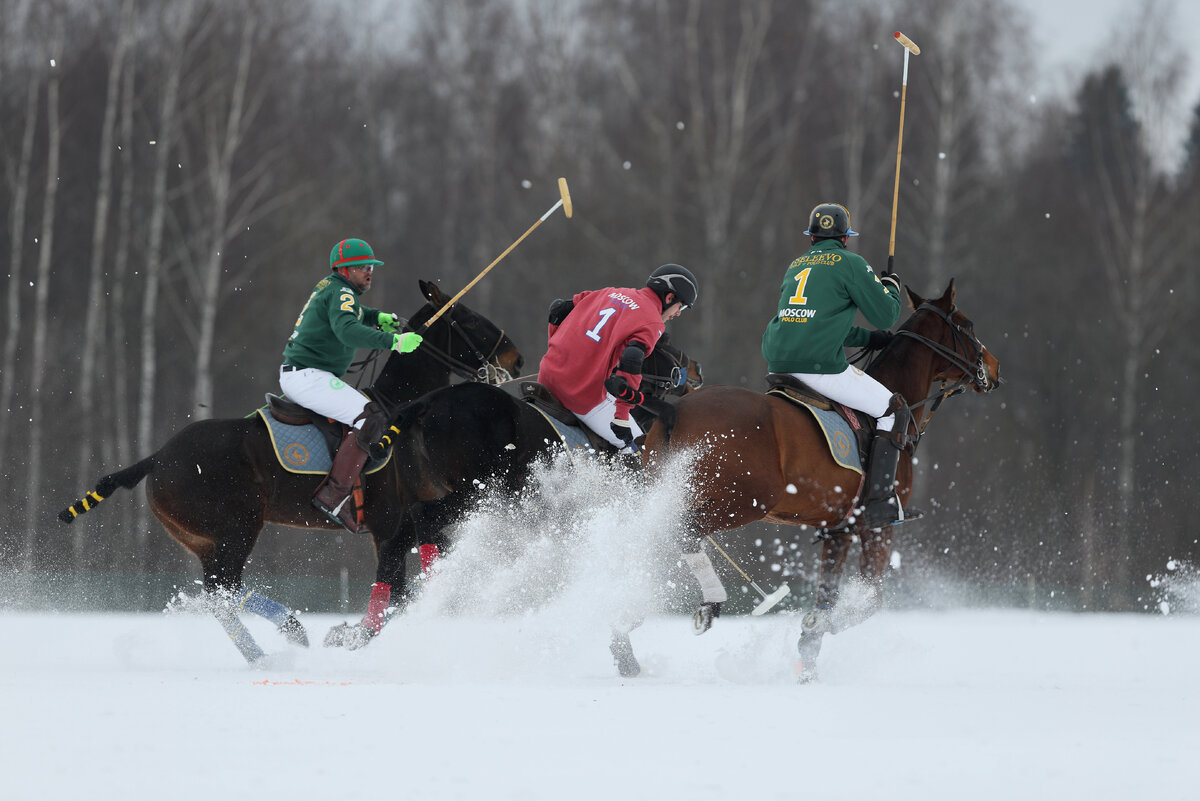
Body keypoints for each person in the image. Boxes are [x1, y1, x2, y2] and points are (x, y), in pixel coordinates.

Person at [761, 202, 913, 528]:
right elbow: (887, 314)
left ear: (811, 237)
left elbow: (813, 323)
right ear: (845, 237)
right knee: (894, 409)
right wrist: (891, 287)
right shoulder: (850, 263)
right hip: (818, 367)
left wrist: (868, 339)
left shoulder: (796, 265)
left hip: (778, 363)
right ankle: (879, 504)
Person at [280, 237, 423, 534]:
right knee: (370, 418)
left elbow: (352, 315)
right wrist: (394, 341)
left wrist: (376, 317)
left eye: (371, 266)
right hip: (308, 375)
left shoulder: (335, 288)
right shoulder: (342, 292)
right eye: (361, 266)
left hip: (307, 373)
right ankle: (333, 496)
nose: (369, 271)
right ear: (343, 269)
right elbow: (346, 330)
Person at [537, 264, 699, 453]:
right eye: (681, 306)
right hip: (580, 396)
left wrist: (557, 352)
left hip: (547, 377)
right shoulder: (652, 321)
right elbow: (631, 360)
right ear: (669, 297)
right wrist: (621, 416)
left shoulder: (609, 292)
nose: (678, 313)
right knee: (643, 453)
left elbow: (558, 309)